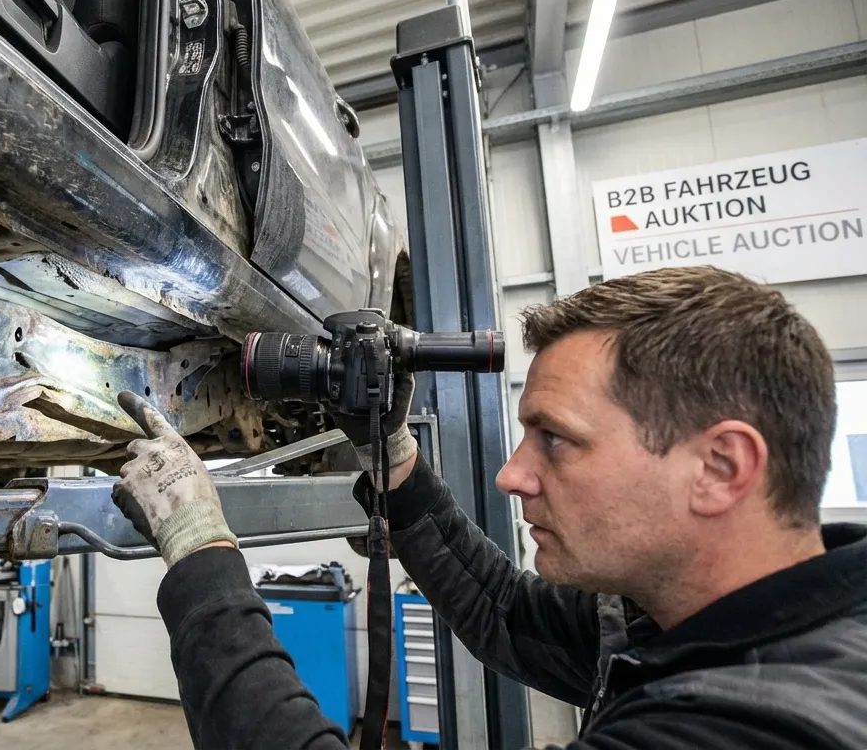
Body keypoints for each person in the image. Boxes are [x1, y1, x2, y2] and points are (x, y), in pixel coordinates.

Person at [109, 265, 867, 749]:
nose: (512, 476)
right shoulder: (695, 621)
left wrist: (202, 552)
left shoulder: (754, 726)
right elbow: (505, 612)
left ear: (720, 467)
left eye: (557, 441)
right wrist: (393, 452)